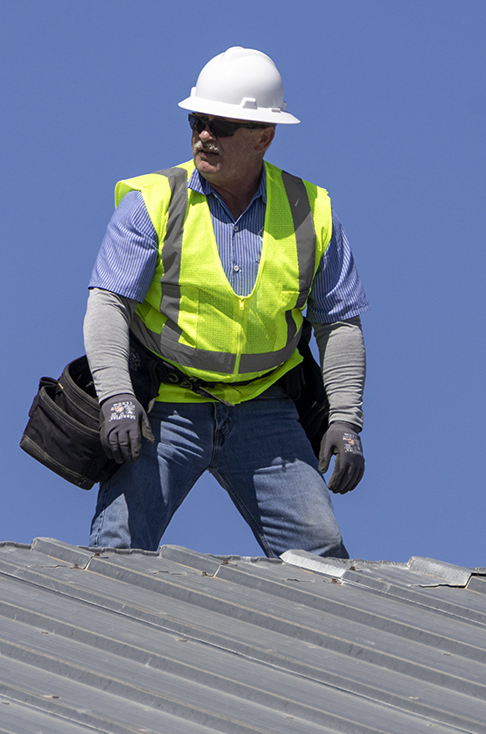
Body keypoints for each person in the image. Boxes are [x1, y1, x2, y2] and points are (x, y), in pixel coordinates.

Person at [84, 47, 369, 557]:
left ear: (265, 136)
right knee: (118, 550)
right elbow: (108, 305)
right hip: (165, 408)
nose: (204, 135)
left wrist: (345, 421)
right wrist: (117, 398)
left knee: (322, 560)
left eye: (220, 124)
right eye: (197, 120)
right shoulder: (153, 201)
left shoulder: (312, 212)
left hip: (265, 409)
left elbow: (339, 325)